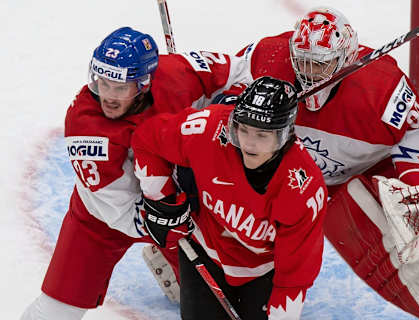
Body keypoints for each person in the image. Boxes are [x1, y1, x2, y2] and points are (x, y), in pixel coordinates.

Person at [205, 6, 419, 319]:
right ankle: (184, 260)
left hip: (356, 179)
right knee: (220, 190)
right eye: (303, 62)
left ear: (346, 59)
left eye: (321, 65)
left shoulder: (381, 87)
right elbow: (214, 89)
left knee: (400, 248)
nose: (309, 74)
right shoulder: (264, 59)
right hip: (284, 177)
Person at [21, 26, 254, 319]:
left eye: (119, 88)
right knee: (56, 311)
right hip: (102, 218)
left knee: (216, 306)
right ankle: (168, 250)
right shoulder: (87, 129)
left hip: (180, 202)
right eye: (102, 84)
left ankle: (175, 264)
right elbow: (119, 211)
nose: (108, 96)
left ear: (145, 83)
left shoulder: (178, 73)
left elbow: (242, 71)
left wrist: (227, 111)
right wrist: (164, 223)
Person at [131, 76, 328, 320]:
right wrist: (161, 202)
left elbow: (293, 279)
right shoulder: (209, 129)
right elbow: (147, 139)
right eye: (242, 130)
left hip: (262, 270)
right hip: (202, 248)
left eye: (262, 135)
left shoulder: (302, 186)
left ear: (284, 135)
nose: (249, 143)